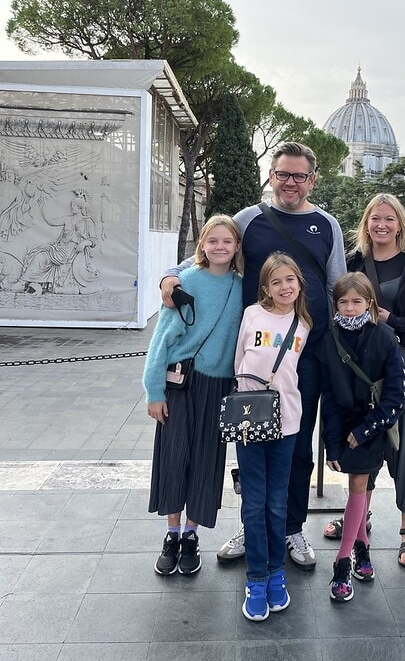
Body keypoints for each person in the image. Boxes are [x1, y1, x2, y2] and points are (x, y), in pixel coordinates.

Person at [160, 142, 346, 570]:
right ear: (271, 176)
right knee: (251, 444)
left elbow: (337, 286)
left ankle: (291, 527)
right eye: (283, 174)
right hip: (252, 361)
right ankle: (253, 524)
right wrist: (170, 276)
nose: (290, 183)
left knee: (297, 447)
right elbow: (204, 255)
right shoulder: (250, 219)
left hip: (307, 357)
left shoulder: (327, 224)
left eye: (299, 176)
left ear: (312, 179)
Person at [323, 193, 405, 568]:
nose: (381, 225)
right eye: (375, 218)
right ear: (366, 223)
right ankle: (360, 516)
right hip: (359, 372)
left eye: (389, 219)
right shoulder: (354, 261)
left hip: (403, 372)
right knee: (362, 445)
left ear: (400, 224)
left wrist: (392, 320)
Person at [144, 215, 243, 576]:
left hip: (218, 387)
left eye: (227, 241)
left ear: (236, 248)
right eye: (212, 240)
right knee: (174, 457)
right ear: (201, 245)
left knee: (206, 461)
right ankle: (172, 533)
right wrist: (154, 391)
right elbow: (162, 341)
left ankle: (191, 535)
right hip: (180, 384)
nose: (219, 247)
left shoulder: (241, 287)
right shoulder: (185, 282)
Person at [319, 272, 405, 602]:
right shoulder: (329, 339)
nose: (350, 308)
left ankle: (342, 562)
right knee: (362, 486)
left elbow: (395, 396)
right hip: (342, 425)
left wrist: (364, 430)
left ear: (369, 303)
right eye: (343, 302)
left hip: (373, 426)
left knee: (359, 485)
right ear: (335, 303)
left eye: (357, 301)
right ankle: (362, 547)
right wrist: (332, 438)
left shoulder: (384, 337)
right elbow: (327, 394)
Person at [234, 252, 312, 621]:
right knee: (254, 501)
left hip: (288, 421)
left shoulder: (304, 323)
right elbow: (239, 363)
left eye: (290, 280)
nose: (284, 287)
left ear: (299, 283)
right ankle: (256, 578)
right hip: (251, 419)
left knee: (277, 502)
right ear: (265, 287)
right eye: (276, 281)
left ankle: (276, 574)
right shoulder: (252, 314)